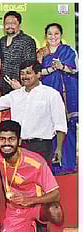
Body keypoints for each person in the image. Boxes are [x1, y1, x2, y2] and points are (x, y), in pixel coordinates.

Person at [0, 61, 67, 166]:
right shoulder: (15, 95)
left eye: (28, 73)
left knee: (40, 180)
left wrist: (59, 149)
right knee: (18, 179)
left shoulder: (51, 94)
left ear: (38, 74)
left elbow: (60, 124)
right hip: (18, 146)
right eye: (22, 73)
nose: (24, 76)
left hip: (41, 146)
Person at [0, 120, 64, 232]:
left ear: (19, 141)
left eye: (11, 139)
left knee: (55, 211)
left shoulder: (36, 161)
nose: (7, 144)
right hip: (15, 210)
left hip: (36, 205)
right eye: (2, 139)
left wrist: (30, 200)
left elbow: (55, 194)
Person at [37, 23, 78, 175]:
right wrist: (52, 68)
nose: (53, 37)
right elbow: (37, 73)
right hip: (47, 94)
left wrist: (62, 67)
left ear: (61, 35)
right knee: (49, 128)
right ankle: (51, 166)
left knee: (67, 127)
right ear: (45, 36)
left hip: (67, 95)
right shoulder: (41, 53)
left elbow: (75, 69)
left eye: (56, 34)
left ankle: (68, 164)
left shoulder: (68, 51)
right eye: (50, 34)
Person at [0, 11, 36, 94]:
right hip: (1, 88)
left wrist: (22, 86)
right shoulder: (1, 41)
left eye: (13, 23)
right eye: (7, 23)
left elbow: (29, 66)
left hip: (19, 88)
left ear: (19, 24)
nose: (10, 26)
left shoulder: (27, 41)